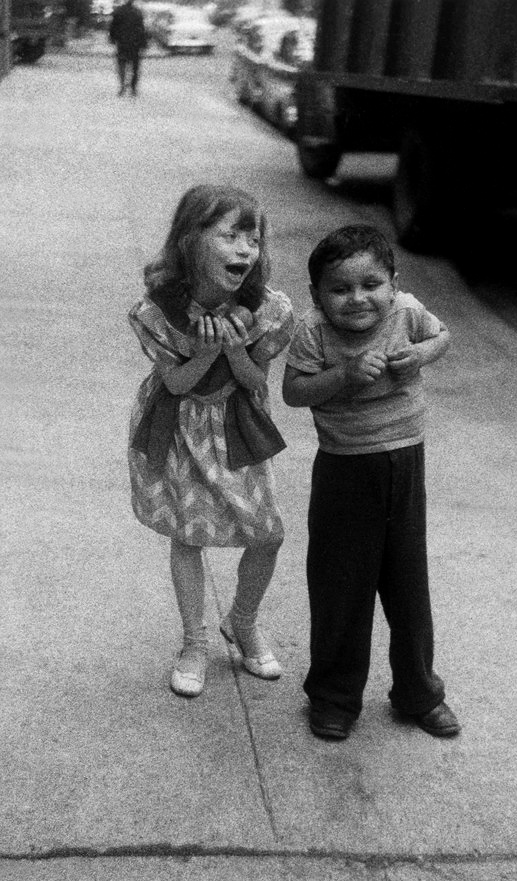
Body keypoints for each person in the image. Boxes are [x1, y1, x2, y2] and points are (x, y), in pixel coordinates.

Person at [282, 224, 460, 741]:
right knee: (341, 586)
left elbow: (442, 336)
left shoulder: (407, 310)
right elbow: (293, 391)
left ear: (393, 282)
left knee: (408, 585)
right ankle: (335, 696)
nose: (358, 298)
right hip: (344, 469)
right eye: (340, 289)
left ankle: (418, 693)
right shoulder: (314, 330)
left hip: (406, 461)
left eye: (371, 284)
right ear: (317, 295)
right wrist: (343, 374)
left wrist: (422, 355)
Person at [128, 185, 294, 698]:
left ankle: (242, 621)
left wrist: (235, 345)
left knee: (267, 533)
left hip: (237, 426)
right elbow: (176, 383)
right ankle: (193, 642)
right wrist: (202, 352)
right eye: (232, 236)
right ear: (190, 241)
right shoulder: (157, 310)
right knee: (189, 534)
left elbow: (254, 380)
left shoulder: (266, 308)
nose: (247, 248)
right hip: (179, 427)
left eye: (254, 238)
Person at [109, 0, 147, 97]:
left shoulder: (118, 11)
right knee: (135, 67)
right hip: (135, 44)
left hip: (122, 43)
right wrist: (143, 43)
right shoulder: (137, 12)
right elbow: (141, 29)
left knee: (122, 65)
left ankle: (122, 86)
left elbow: (113, 27)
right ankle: (133, 88)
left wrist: (112, 38)